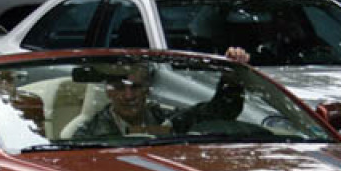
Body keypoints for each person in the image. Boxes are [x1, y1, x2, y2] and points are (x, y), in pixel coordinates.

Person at [70, 47, 250, 139]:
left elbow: (220, 113)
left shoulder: (166, 119)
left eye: (136, 87)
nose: (128, 95)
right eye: (119, 88)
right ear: (108, 92)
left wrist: (231, 77)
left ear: (147, 89)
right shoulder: (87, 135)